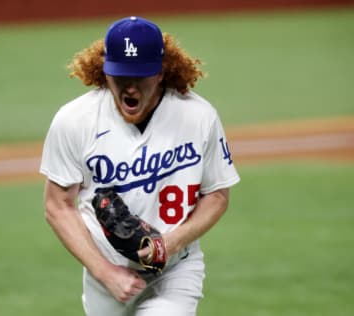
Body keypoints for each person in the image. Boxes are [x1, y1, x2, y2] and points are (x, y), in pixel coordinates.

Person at [40, 16, 240, 316]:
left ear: (161, 72)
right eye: (121, 75)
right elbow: (57, 206)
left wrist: (170, 243)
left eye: (141, 75)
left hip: (176, 268)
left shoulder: (198, 117)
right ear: (104, 71)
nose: (130, 88)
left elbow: (217, 195)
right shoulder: (75, 121)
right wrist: (105, 273)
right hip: (106, 275)